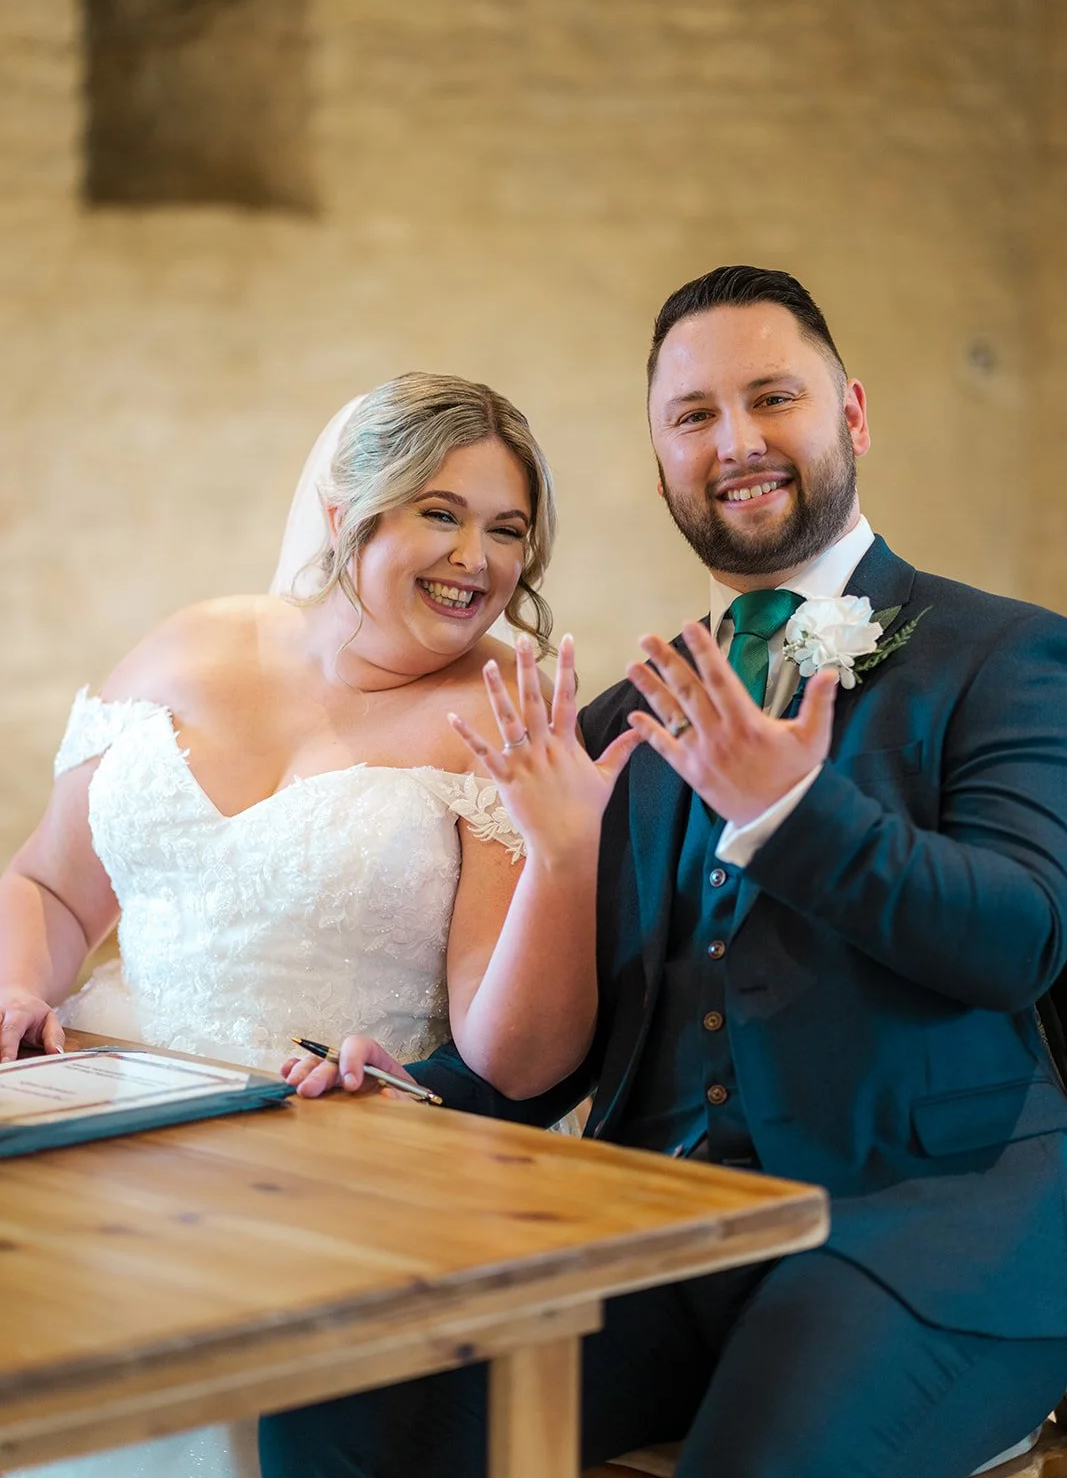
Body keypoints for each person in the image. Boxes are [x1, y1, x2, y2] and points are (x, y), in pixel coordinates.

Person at [260, 269, 1067, 1478]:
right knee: (338, 1398)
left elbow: (1022, 936)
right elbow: (568, 1037)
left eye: (770, 398)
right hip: (657, 1230)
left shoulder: (1001, 654)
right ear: (659, 468)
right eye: (691, 417)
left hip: (926, 1232)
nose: (733, 442)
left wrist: (790, 811)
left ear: (849, 414)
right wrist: (415, 1090)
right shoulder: (617, 721)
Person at [0, 371, 636, 1478]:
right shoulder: (188, 647)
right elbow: (52, 889)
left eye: (506, 530)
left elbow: (519, 1055)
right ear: (346, 513)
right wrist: (17, 985)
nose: (475, 561)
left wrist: (562, 850)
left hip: (322, 1163)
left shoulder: (504, 715)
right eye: (439, 513)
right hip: (103, 1113)